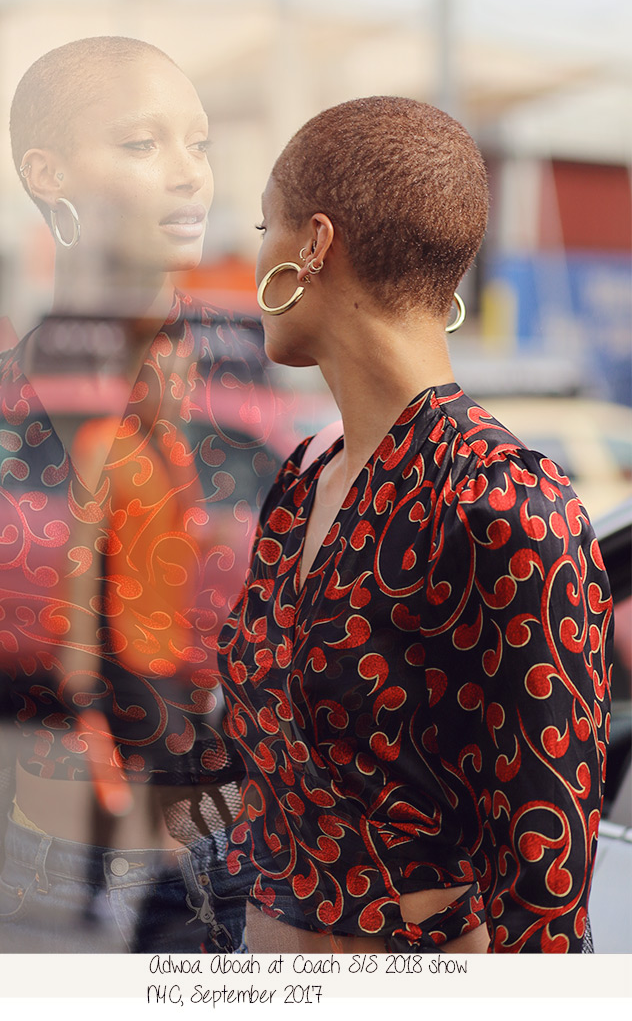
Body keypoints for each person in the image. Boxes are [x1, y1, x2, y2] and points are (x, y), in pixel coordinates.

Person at [0, 36, 280, 953]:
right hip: (42, 877)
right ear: (47, 171)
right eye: (143, 145)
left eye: (200, 144)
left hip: (243, 883)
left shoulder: (262, 400)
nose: (189, 176)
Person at [217, 95, 611, 954]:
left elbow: (547, 881)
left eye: (262, 225)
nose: (256, 253)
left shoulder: (504, 503)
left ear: (313, 244)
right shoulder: (303, 482)